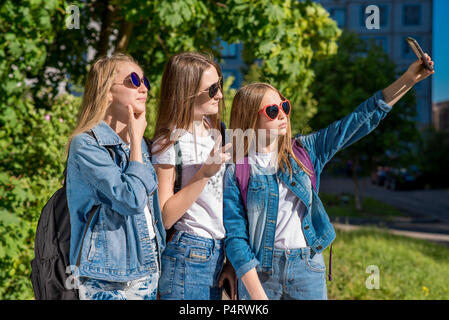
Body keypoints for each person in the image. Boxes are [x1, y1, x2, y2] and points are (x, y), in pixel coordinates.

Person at [223, 54, 435, 300]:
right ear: (250, 119)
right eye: (272, 110)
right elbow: (236, 238)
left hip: (307, 269)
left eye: (284, 106)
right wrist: (257, 295)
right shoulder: (237, 170)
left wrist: (409, 79)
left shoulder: (305, 151)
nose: (282, 114)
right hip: (260, 275)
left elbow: (358, 121)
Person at [66, 53, 165, 300]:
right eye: (133, 80)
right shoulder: (86, 145)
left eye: (145, 81)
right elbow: (129, 200)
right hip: (105, 272)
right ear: (107, 92)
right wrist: (135, 144)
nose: (143, 88)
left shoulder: (139, 143)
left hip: (147, 264)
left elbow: (149, 205)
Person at [151, 52, 237, 300]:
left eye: (219, 85)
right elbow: (165, 217)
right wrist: (203, 174)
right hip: (188, 256)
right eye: (212, 90)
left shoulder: (218, 131)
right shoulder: (169, 143)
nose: (220, 95)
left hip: (220, 255)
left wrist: (231, 261)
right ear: (186, 92)